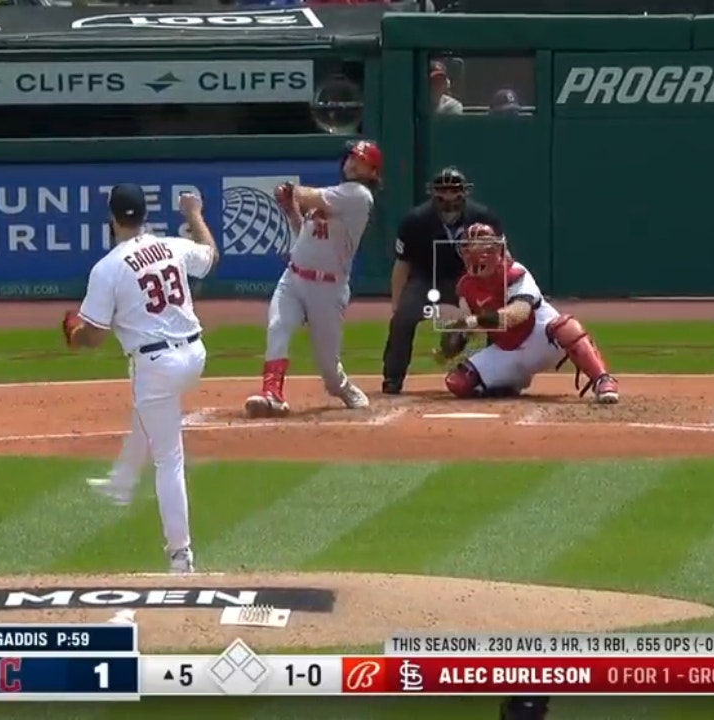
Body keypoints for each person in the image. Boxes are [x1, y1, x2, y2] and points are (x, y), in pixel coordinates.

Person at [63, 184, 218, 574]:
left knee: (169, 459)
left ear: (112, 218)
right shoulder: (172, 246)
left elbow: (94, 337)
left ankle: (180, 555)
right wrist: (194, 215)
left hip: (158, 365)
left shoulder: (108, 267)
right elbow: (211, 256)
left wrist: (72, 335)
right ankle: (122, 481)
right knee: (149, 411)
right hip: (195, 355)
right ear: (144, 215)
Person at [243, 140, 383, 417]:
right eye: (353, 157)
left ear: (373, 173)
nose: (354, 163)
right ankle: (272, 393)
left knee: (327, 366)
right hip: (294, 278)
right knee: (278, 326)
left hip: (328, 288)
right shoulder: (336, 195)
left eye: (363, 161)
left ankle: (342, 387)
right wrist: (291, 210)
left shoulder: (358, 196)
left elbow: (307, 195)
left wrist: (292, 192)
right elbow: (305, 231)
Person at [434, 223, 620, 403]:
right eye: (470, 248)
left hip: (543, 341)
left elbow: (517, 314)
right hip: (507, 350)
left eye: (483, 247)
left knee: (565, 326)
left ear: (497, 249)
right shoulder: (465, 287)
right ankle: (510, 383)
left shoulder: (515, 273)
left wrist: (472, 322)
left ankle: (602, 379)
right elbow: (466, 328)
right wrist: (452, 342)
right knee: (458, 383)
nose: (476, 254)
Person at [381, 167, 503, 395]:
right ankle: (392, 378)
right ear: (433, 193)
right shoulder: (415, 220)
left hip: (467, 281)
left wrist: (495, 295)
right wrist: (396, 304)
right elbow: (402, 264)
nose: (449, 197)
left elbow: (501, 258)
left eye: (454, 191)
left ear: (464, 193)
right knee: (402, 320)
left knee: (493, 320)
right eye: (443, 191)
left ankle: (494, 376)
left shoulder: (483, 218)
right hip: (426, 280)